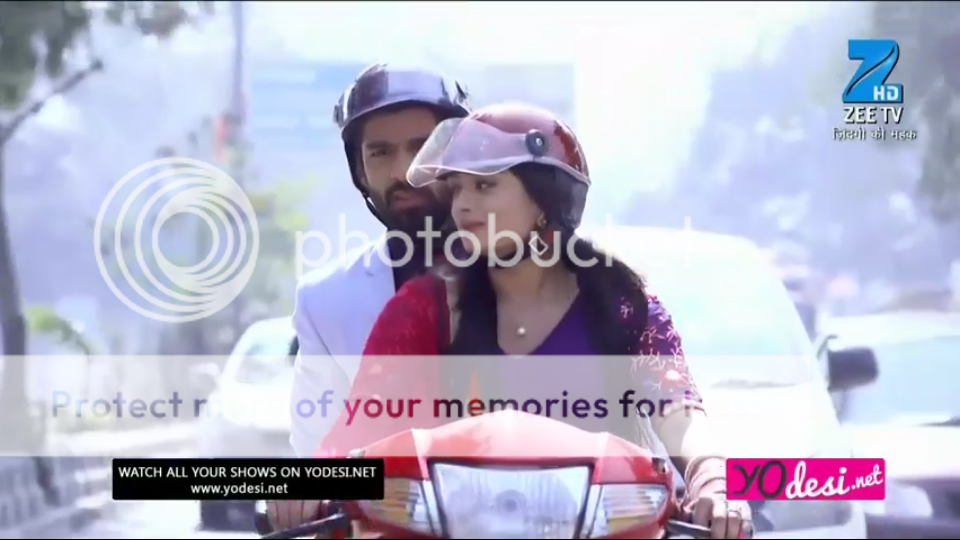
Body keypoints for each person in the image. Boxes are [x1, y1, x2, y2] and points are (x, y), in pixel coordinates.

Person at [319, 103, 754, 539]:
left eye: (484, 186)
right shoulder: (424, 308)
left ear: (547, 200)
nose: (462, 206)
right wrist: (298, 485)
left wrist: (714, 480)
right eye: (456, 189)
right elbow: (358, 427)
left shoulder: (623, 305)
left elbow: (679, 410)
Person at [267, 64, 471, 532]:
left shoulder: (534, 274)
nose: (403, 172)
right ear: (358, 170)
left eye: (422, 147)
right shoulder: (326, 300)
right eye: (380, 153)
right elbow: (318, 450)